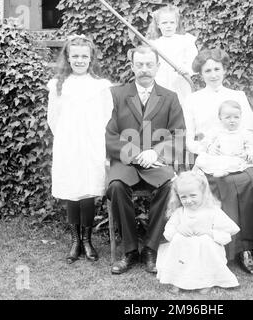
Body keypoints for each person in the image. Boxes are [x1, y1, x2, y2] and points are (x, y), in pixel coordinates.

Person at [183, 48, 253, 274]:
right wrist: (204, 149)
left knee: (250, 178)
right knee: (224, 184)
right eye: (207, 70)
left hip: (237, 156)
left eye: (217, 69)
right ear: (200, 73)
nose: (213, 74)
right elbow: (189, 139)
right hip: (211, 158)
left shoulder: (238, 95)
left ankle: (247, 246)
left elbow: (250, 130)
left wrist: (250, 150)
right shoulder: (192, 99)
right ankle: (226, 246)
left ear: (224, 70)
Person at [105, 45, 186, 275]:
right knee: (116, 186)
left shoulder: (170, 98)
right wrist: (134, 153)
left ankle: (151, 248)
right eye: (139, 65)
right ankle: (130, 251)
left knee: (170, 186)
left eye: (149, 64)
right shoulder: (116, 95)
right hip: (126, 162)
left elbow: (178, 135)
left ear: (158, 67)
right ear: (132, 66)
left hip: (156, 163)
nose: (144, 69)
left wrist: (156, 152)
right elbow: (108, 134)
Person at [47, 34, 113, 264]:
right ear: (67, 57)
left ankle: (87, 240)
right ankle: (75, 241)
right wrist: (67, 138)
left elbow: (107, 116)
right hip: (68, 144)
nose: (79, 60)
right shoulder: (58, 85)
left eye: (84, 56)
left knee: (88, 193)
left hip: (92, 143)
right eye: (74, 56)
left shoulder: (101, 86)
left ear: (91, 58)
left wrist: (94, 138)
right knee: (71, 192)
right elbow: (53, 118)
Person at [156, 171, 240, 294]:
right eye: (183, 197)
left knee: (205, 242)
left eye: (193, 195)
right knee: (178, 239)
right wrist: (178, 229)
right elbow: (168, 232)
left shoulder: (212, 211)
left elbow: (229, 230)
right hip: (184, 251)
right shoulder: (180, 212)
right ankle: (177, 279)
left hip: (205, 251)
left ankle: (207, 281)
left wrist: (209, 232)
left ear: (203, 193)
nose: (188, 200)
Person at [146, 4, 198, 106]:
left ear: (176, 24)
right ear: (158, 25)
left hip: (180, 81)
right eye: (164, 23)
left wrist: (185, 69)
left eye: (171, 22)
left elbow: (193, 60)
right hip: (161, 81)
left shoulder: (185, 41)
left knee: (181, 107)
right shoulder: (154, 44)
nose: (168, 26)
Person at [194, 100, 253, 177]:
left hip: (235, 158)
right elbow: (205, 141)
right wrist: (210, 147)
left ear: (240, 116)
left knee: (235, 163)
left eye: (236, 117)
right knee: (201, 158)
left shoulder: (244, 132)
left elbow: (251, 146)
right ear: (220, 118)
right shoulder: (217, 130)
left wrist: (247, 154)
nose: (232, 120)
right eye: (228, 117)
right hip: (219, 157)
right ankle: (203, 171)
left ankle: (222, 171)